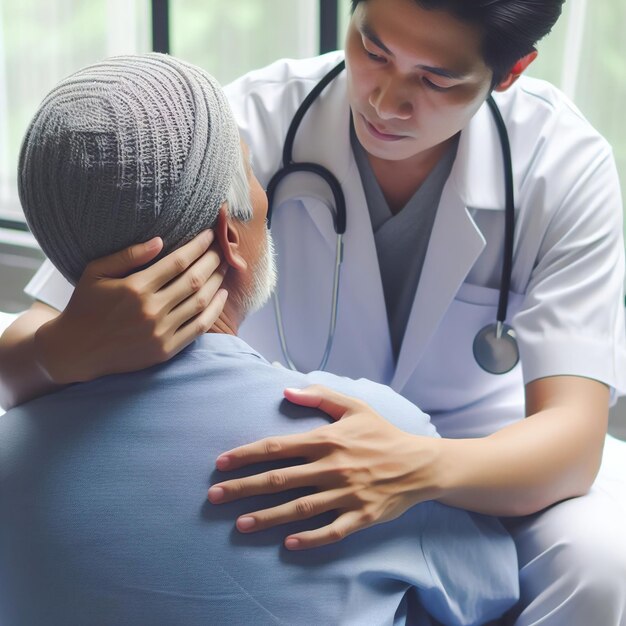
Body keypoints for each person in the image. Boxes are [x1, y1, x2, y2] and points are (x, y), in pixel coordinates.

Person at [1, 1, 625, 624]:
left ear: (511, 71)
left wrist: (417, 464)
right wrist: (64, 346)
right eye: (373, 51)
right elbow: (19, 358)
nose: (385, 100)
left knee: (601, 566)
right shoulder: (238, 125)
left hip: (486, 464)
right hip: (293, 447)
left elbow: (572, 442)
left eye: (434, 79)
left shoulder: (562, 164)